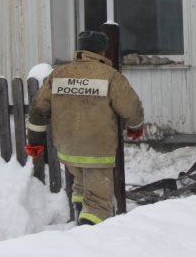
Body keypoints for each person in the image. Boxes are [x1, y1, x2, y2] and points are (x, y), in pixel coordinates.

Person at [25, 30, 144, 226]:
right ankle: (88, 237)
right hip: (97, 150)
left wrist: (35, 142)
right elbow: (131, 107)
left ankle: (79, 219)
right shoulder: (109, 76)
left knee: (80, 186)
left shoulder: (59, 74)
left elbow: (38, 110)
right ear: (102, 52)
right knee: (98, 201)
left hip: (69, 150)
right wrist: (135, 126)